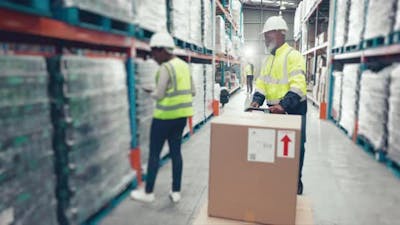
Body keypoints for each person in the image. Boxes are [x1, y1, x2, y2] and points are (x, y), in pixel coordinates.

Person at [130, 31, 195, 203]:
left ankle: (148, 193)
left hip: (164, 117)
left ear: (162, 50)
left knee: (154, 154)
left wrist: (149, 91)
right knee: (176, 153)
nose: (153, 57)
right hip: (181, 117)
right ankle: (176, 192)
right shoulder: (184, 67)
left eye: (154, 53)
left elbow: (159, 95)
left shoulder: (166, 67)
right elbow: (193, 91)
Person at [250, 16, 307, 195]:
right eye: (265, 35)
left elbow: (298, 86)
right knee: (276, 149)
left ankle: (295, 181)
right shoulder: (268, 60)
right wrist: (256, 100)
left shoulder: (293, 56)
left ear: (280, 33)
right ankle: (279, 179)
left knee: (295, 148)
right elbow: (262, 84)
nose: (265, 38)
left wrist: (284, 105)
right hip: (274, 112)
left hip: (293, 111)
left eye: (268, 34)